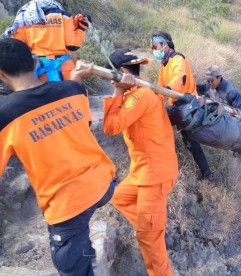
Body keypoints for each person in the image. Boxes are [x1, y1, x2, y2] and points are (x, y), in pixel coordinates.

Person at [0, 38, 116, 276]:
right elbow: (80, 114)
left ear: (1, 74)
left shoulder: (6, 115)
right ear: (34, 62)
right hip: (103, 183)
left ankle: (85, 261)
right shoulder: (72, 90)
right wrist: (76, 77)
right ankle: (88, 253)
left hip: (69, 204)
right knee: (81, 239)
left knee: (68, 261)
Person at [102, 48, 179, 276]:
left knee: (152, 248)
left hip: (153, 176)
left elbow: (110, 127)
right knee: (118, 196)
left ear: (123, 72)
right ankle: (151, 228)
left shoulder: (139, 96)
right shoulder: (141, 92)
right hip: (143, 172)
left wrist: (117, 89)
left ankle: (151, 233)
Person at [150, 30, 213, 181]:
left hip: (188, 105)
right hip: (180, 108)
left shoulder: (178, 59)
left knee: (160, 124)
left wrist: (169, 90)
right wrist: (151, 104)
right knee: (191, 142)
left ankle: (158, 164)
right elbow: (159, 90)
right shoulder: (164, 66)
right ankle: (207, 174)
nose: (153, 50)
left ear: (164, 44)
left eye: (155, 46)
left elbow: (179, 79)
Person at [2, 0, 90, 81]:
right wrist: (81, 28)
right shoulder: (63, 15)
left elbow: (18, 47)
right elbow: (72, 45)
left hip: (38, 72)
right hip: (64, 71)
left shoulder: (23, 15)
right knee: (69, 97)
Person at [197, 65, 241, 175]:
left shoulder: (230, 91)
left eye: (211, 80)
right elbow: (198, 88)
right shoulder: (208, 86)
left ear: (219, 78)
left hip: (237, 118)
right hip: (220, 118)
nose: (209, 83)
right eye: (208, 80)